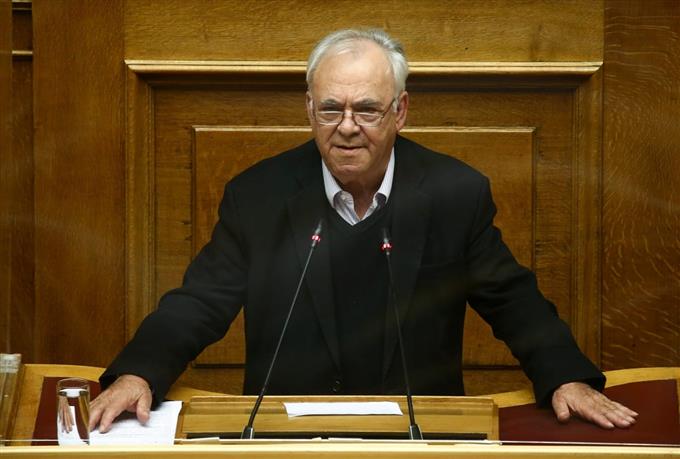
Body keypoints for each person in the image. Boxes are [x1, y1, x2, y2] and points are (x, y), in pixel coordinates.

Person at [90, 28, 638, 433]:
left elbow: (513, 299)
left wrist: (564, 376)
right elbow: (200, 301)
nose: (347, 127)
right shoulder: (258, 195)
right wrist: (140, 374)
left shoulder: (454, 193)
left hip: (419, 433)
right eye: (331, 109)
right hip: (287, 434)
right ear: (309, 109)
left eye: (367, 110)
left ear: (400, 111)